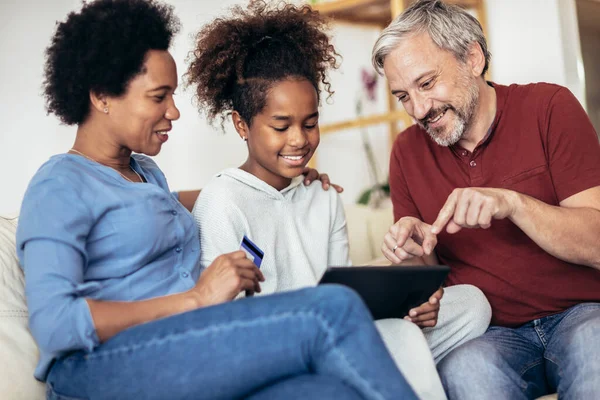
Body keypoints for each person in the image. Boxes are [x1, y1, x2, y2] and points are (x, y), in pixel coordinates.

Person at [15, 1, 420, 399]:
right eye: (159, 97)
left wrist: (287, 177)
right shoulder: (58, 186)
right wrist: (195, 299)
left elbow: (167, 207)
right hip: (99, 368)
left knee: (324, 391)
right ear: (102, 95)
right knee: (332, 307)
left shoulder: (143, 174)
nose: (174, 111)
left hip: (179, 347)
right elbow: (55, 324)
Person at [187, 2, 490, 399]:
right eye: (281, 126)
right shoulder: (221, 201)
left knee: (471, 303)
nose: (299, 139)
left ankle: (353, 373)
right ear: (241, 125)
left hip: (340, 336)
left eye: (310, 123)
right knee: (397, 341)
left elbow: (345, 296)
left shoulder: (323, 196)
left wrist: (407, 305)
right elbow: (224, 324)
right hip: (275, 352)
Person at [372, 0, 600, 398]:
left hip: (583, 313)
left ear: (472, 58)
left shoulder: (549, 107)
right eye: (403, 96)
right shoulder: (406, 152)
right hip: (491, 332)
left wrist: (512, 204)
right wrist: (411, 250)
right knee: (466, 372)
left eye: (426, 84)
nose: (419, 109)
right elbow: (427, 275)